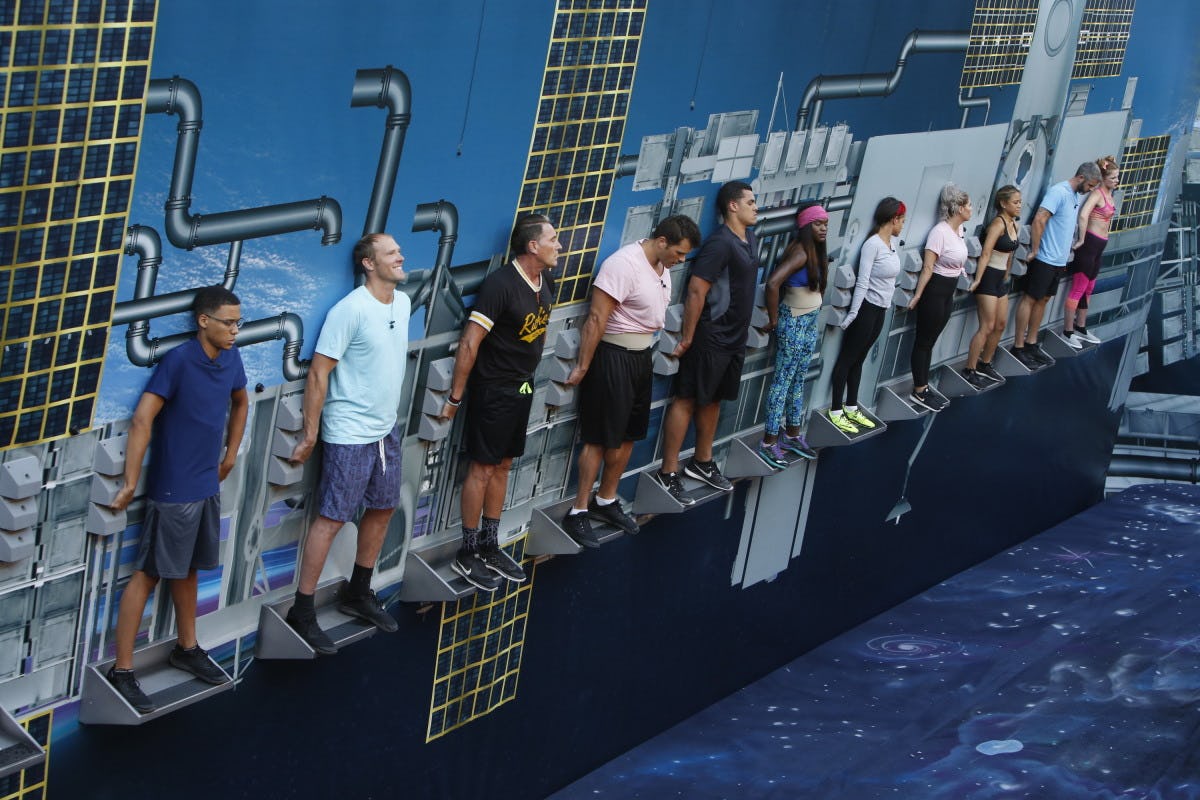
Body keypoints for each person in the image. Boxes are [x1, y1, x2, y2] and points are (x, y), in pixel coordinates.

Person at [105, 285, 249, 713]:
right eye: (229, 323)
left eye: (238, 323)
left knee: (189, 569)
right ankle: (122, 671)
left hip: (206, 486)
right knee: (149, 573)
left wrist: (230, 455)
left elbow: (240, 402)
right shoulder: (178, 361)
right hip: (173, 490)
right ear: (204, 321)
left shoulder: (232, 358)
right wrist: (130, 482)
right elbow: (142, 419)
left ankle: (187, 648)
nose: (235, 331)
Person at [286, 233, 411, 655]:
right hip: (349, 433)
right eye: (391, 253)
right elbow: (318, 373)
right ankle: (302, 611)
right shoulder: (349, 310)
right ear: (368, 264)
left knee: (384, 506)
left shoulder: (402, 303)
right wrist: (311, 434)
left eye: (398, 251)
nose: (400, 257)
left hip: (385, 430)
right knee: (333, 517)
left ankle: (359, 590)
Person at [562, 215, 700, 546]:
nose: (681, 261)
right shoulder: (623, 264)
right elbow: (597, 318)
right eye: (679, 253)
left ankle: (605, 500)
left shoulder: (662, 266)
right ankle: (578, 511)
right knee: (599, 438)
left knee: (629, 435)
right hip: (612, 357)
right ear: (662, 241)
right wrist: (583, 366)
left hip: (641, 358)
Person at [440, 214, 559, 589]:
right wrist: (455, 397)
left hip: (522, 388)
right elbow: (470, 342)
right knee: (483, 467)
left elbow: (537, 333)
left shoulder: (546, 280)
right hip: (493, 389)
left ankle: (490, 545)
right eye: (553, 239)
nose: (559, 246)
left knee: (505, 464)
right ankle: (467, 552)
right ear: (532, 246)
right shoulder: (501, 285)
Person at [657, 181, 759, 504]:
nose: (756, 207)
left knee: (714, 399)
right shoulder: (719, 244)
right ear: (732, 206)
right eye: (750, 202)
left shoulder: (751, 237)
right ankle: (668, 472)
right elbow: (697, 290)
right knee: (686, 398)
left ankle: (702, 462)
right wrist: (688, 337)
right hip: (710, 337)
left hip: (735, 339)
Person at [1010, 161, 1102, 369]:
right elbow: (1040, 219)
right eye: (1089, 185)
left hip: (1059, 260)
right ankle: (1018, 346)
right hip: (1045, 258)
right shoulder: (1058, 192)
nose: (1090, 190)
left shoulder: (1075, 196)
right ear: (1081, 178)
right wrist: (1035, 249)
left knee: (1043, 300)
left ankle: (1031, 343)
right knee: (1030, 299)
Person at [756, 204, 828, 467]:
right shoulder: (800, 252)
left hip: (808, 321)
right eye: (818, 224)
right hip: (794, 322)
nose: (823, 228)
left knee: (798, 379)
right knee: (783, 382)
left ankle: (792, 434)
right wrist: (774, 319)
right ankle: (769, 442)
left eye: (826, 224)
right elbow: (773, 283)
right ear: (806, 226)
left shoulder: (815, 251)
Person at [827, 197, 906, 434]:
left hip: (880, 309)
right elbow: (862, 281)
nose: (903, 225)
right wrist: (853, 314)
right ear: (893, 219)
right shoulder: (872, 245)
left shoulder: (891, 244)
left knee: (859, 359)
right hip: (866, 309)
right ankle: (836, 411)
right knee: (847, 358)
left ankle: (851, 407)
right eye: (902, 220)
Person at [906, 184, 972, 412]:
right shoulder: (939, 232)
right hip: (935, 291)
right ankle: (919, 390)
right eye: (969, 205)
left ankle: (924, 387)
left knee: (931, 341)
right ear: (959, 208)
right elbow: (928, 267)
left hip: (948, 292)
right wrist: (918, 296)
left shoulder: (959, 231)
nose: (971, 209)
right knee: (923, 341)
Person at [963, 185, 1022, 387]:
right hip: (988, 277)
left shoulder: (1014, 225)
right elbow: (986, 253)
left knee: (1000, 324)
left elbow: (1010, 252)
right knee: (987, 326)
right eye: (1015, 202)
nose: (1019, 206)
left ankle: (985, 363)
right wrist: (978, 279)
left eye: (1020, 202)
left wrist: (1007, 272)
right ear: (1003, 204)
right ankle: (969, 369)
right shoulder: (997, 225)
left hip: (1000, 279)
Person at [1064, 156, 1119, 347]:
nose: (1116, 181)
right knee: (1079, 288)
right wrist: (1081, 239)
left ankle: (1081, 326)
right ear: (1103, 179)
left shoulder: (1110, 195)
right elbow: (1083, 215)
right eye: (1112, 178)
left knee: (1089, 288)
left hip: (1099, 248)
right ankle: (1068, 331)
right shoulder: (1097, 194)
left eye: (1117, 177)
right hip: (1089, 245)